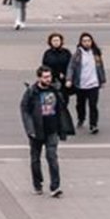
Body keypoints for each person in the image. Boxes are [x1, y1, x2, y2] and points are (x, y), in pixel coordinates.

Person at [20, 66, 74, 197]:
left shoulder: (55, 90)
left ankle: (55, 187)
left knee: (52, 157)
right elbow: (25, 111)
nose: (48, 79)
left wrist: (63, 127)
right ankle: (37, 185)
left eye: (49, 76)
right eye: (45, 77)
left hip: (52, 130)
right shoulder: (32, 92)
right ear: (39, 78)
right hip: (36, 131)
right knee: (35, 159)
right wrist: (30, 129)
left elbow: (61, 108)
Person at [67, 32, 106, 134]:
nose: (87, 43)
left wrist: (102, 80)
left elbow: (100, 67)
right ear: (81, 42)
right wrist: (69, 79)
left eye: (88, 41)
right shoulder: (77, 54)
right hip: (81, 84)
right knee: (80, 104)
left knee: (93, 105)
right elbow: (71, 67)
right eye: (84, 41)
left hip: (93, 84)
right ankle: (81, 117)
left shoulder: (96, 53)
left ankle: (93, 124)